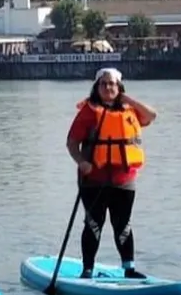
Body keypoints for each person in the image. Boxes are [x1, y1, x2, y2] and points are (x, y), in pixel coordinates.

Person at [66, 67, 157, 279]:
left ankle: (129, 269)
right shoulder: (88, 112)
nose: (108, 87)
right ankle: (87, 269)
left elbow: (152, 115)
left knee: (123, 225)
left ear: (119, 87)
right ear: (97, 87)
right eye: (104, 84)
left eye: (113, 84)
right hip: (93, 179)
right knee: (94, 224)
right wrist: (81, 162)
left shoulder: (130, 110)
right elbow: (72, 143)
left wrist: (128, 99)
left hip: (123, 180)